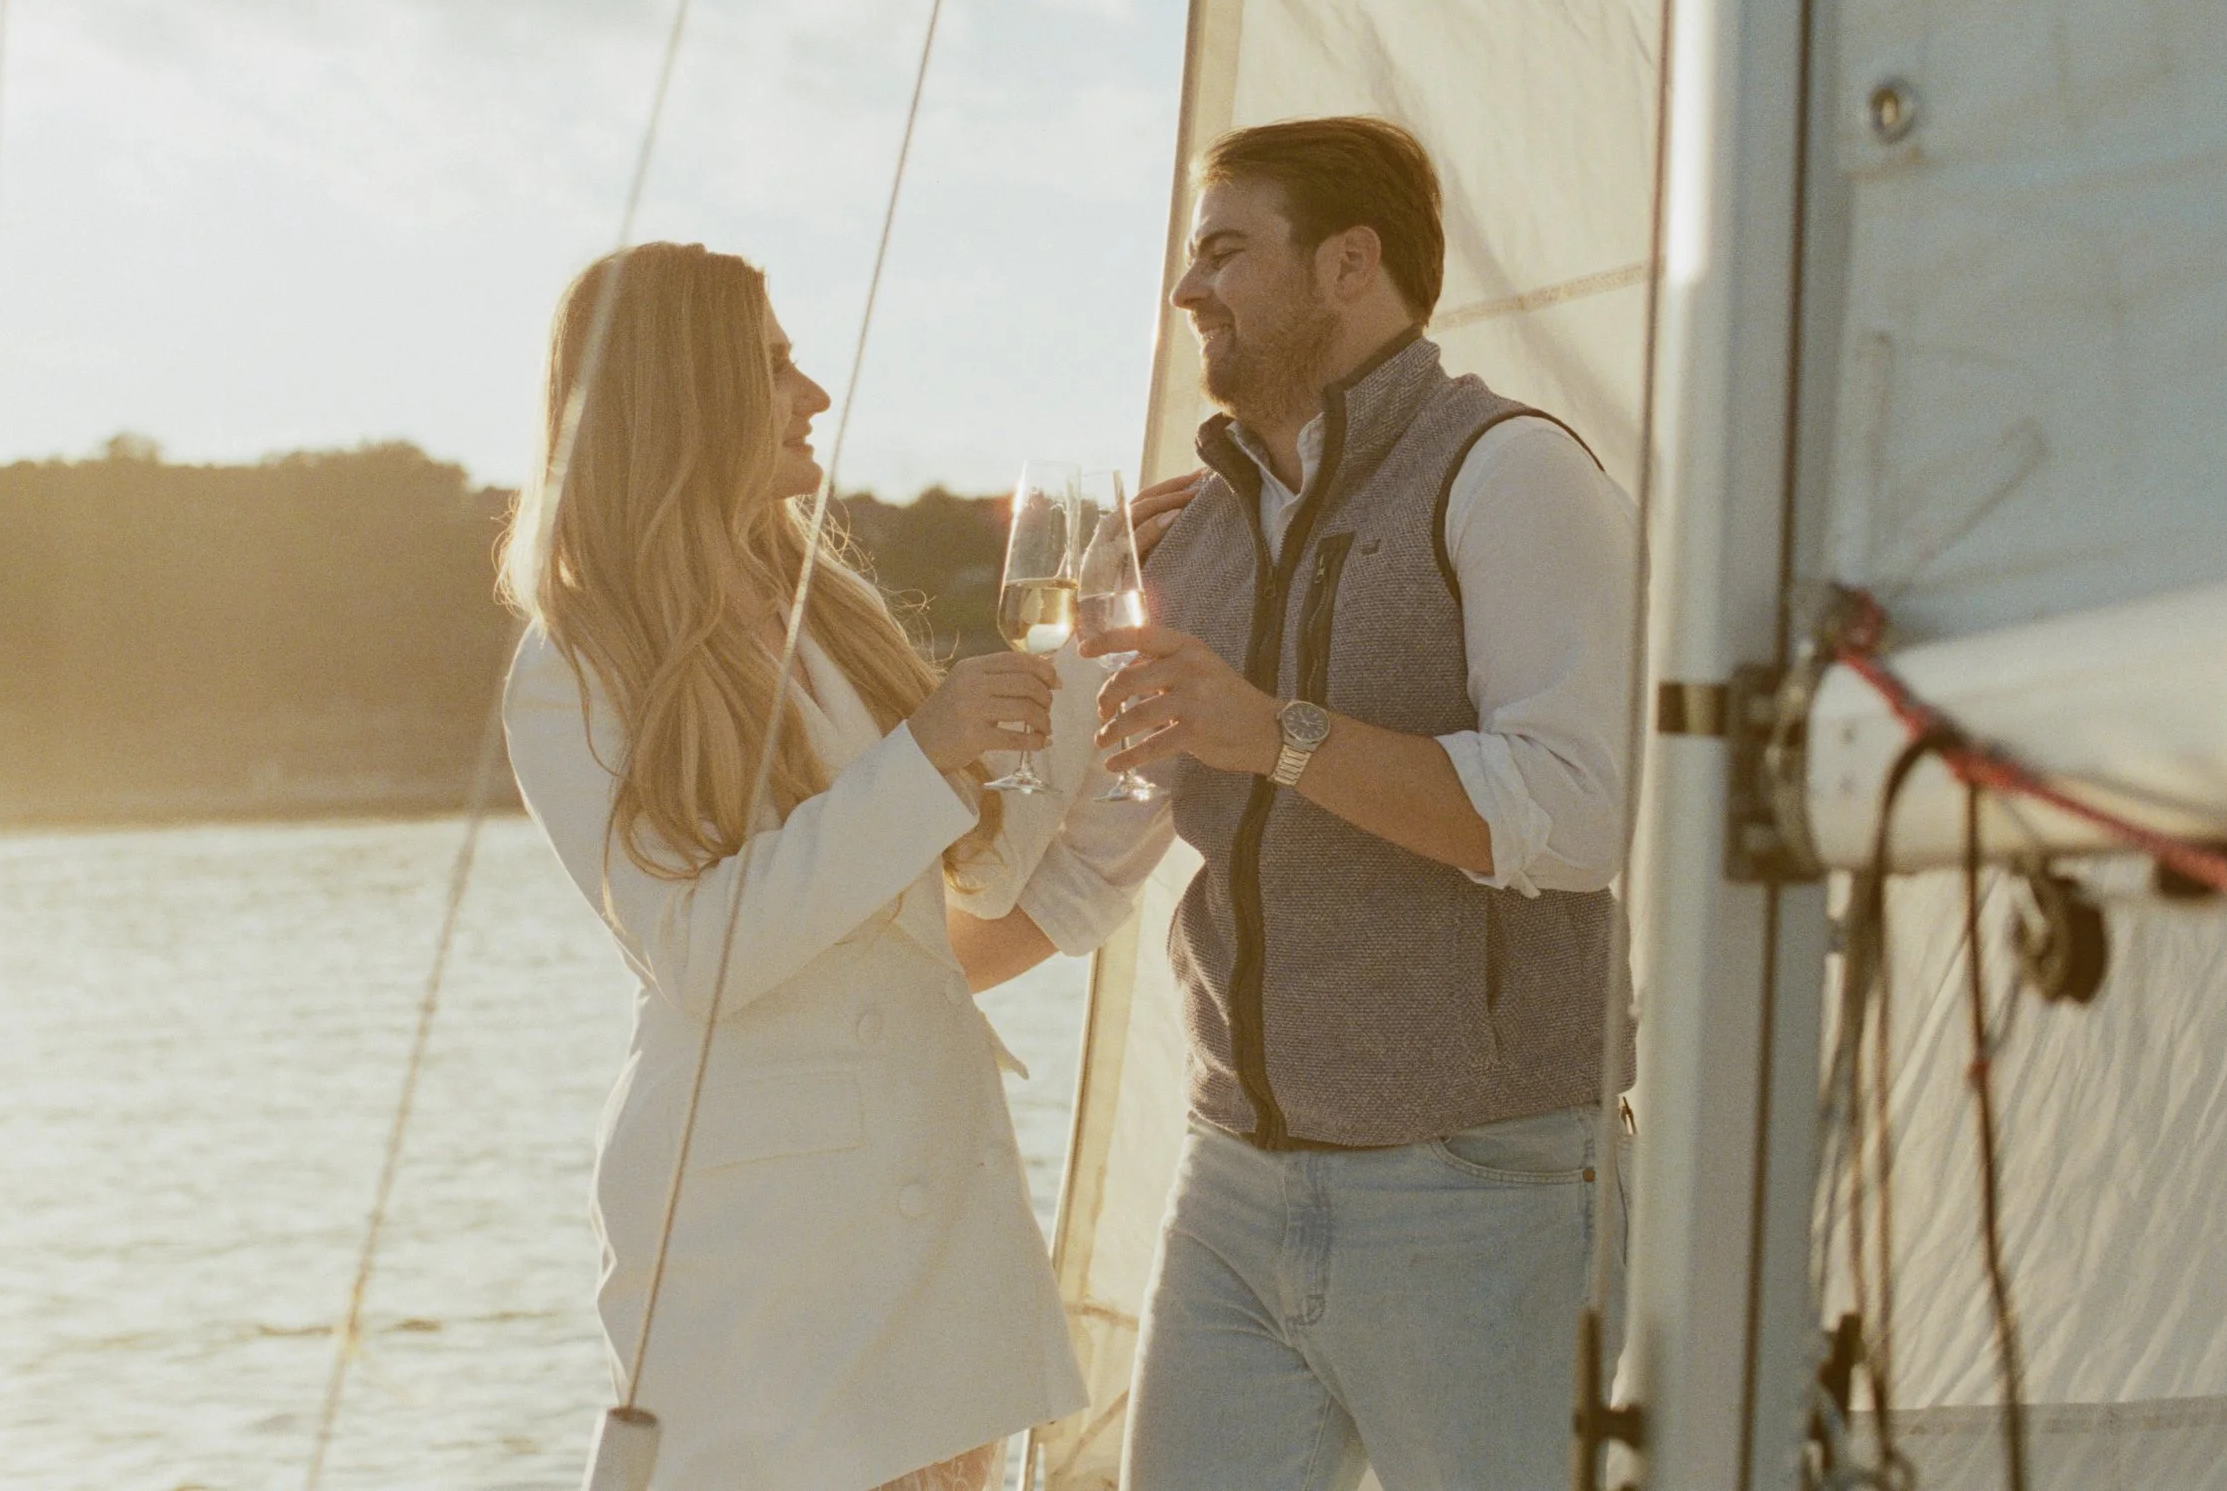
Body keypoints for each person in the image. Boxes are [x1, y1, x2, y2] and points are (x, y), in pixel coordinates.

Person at [953, 117, 1640, 1489]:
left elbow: (1579, 818)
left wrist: (1281, 736)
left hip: (1484, 1189)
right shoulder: (1184, 542)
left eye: (1223, 251)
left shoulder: (1509, 474)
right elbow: (1092, 864)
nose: (1188, 288)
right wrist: (819, 985)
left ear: (1349, 264)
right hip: (1233, 1185)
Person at [500, 242, 1087, 1491]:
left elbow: (959, 881)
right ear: (684, 393)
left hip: (931, 1232)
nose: (813, 394)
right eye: (772, 366)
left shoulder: (825, 610)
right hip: (763, 1271)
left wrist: (1092, 677)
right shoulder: (574, 666)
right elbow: (699, 952)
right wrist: (927, 748)